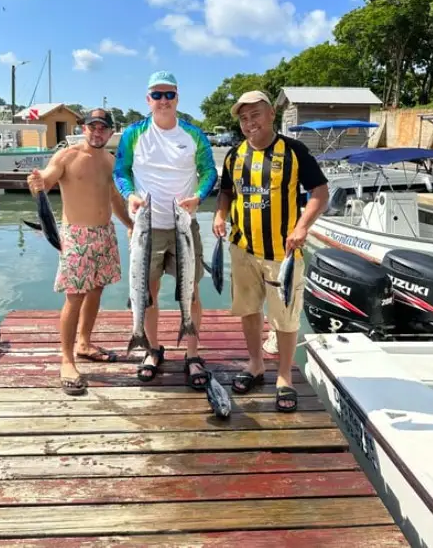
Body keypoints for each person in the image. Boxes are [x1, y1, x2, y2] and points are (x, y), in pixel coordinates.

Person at [213, 90, 329, 412]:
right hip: (242, 249)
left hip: (283, 253)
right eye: (244, 118)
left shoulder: (294, 151)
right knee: (249, 310)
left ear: (271, 116)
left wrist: (302, 226)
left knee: (286, 317)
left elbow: (320, 192)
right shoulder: (233, 156)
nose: (250, 123)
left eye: (255, 115)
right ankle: (255, 363)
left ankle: (284, 377)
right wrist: (220, 215)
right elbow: (225, 193)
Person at [113, 71, 218, 389]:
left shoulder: (193, 135)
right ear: (147, 99)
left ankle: (192, 353)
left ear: (177, 97)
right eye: (156, 95)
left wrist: (198, 196)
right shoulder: (133, 134)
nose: (163, 101)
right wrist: (129, 194)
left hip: (184, 225)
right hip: (148, 227)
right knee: (149, 293)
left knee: (193, 290)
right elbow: (121, 171)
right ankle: (151, 349)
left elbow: (209, 171)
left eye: (168, 94)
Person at [27, 108, 133, 396]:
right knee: (74, 298)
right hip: (76, 236)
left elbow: (113, 197)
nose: (97, 132)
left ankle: (84, 343)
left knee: (96, 290)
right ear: (84, 128)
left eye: (103, 128)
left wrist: (130, 224)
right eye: (92, 127)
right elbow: (48, 179)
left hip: (104, 233)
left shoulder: (111, 161)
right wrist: (39, 182)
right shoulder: (67, 156)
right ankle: (67, 359)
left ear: (110, 132)